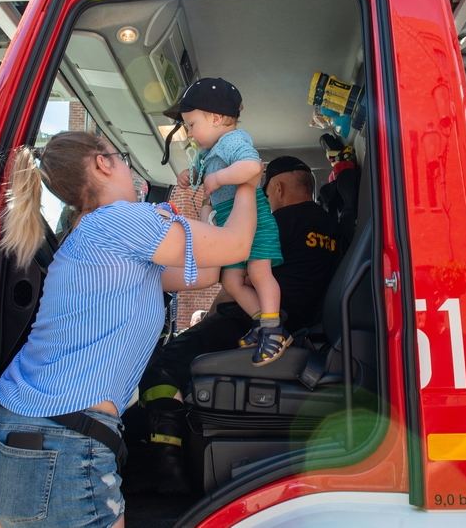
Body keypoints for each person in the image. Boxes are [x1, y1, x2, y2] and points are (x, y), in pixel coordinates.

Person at [0, 131, 260, 528]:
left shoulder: (87, 239)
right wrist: (249, 181)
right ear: (103, 163)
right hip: (61, 448)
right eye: (124, 158)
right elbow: (237, 246)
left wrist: (205, 208)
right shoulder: (120, 220)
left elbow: (206, 272)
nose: (129, 169)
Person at [124, 156, 342, 494]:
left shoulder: (277, 221)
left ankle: (164, 463)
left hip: (248, 323)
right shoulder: (334, 229)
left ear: (278, 188)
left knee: (164, 364)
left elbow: (231, 275)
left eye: (267, 194)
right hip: (300, 329)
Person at [169, 78, 290, 368]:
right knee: (231, 280)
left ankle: (273, 329)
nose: (189, 132)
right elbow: (199, 179)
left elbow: (252, 167)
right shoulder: (205, 153)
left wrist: (219, 178)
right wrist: (190, 176)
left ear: (217, 118)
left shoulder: (233, 140)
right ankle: (262, 323)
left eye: (192, 124)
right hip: (229, 223)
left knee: (258, 272)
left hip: (255, 220)